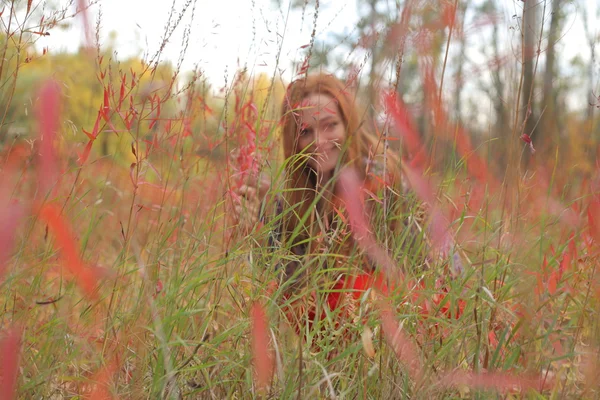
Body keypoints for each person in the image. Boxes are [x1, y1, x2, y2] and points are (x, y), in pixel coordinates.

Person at [232, 73, 419, 336]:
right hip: (353, 336)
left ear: (348, 124)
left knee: (349, 289)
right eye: (306, 132)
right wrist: (263, 225)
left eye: (330, 125)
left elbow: (409, 274)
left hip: (412, 319)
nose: (319, 142)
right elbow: (292, 283)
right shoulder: (304, 189)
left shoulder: (382, 179)